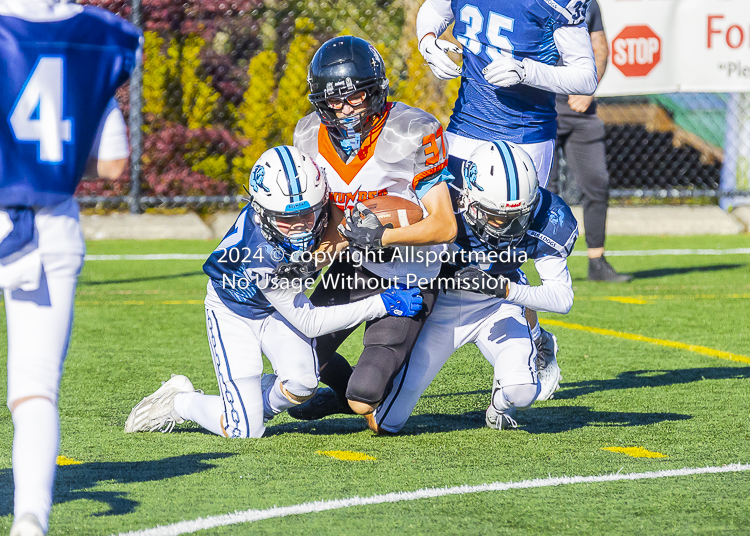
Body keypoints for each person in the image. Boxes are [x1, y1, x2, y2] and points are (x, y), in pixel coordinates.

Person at [124, 146, 424, 439]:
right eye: (286, 219)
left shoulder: (312, 206)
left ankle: (246, 405)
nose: (299, 228)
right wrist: (382, 303)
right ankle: (180, 401)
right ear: (261, 211)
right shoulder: (261, 254)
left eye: (307, 215)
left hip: (276, 308)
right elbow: (311, 323)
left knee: (303, 384)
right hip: (234, 313)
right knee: (244, 430)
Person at [0, 1, 141, 534]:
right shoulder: (98, 37)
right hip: (53, 226)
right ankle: (30, 520)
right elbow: (112, 163)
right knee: (34, 390)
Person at [416, 0, 597, 398]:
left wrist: (527, 71)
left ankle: (533, 338)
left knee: (503, 250)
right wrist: (428, 42)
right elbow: (433, 11)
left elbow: (586, 77)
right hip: (465, 126)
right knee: (447, 233)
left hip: (525, 136)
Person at [288, 36, 457, 420]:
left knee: (364, 400)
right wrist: (307, 266)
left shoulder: (412, 130)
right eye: (334, 100)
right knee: (291, 354)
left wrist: (384, 236)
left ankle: (363, 391)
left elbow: (445, 225)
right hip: (354, 268)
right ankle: (341, 391)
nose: (345, 110)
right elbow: (336, 223)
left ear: (375, 91)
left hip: (409, 275)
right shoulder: (308, 135)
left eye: (355, 97)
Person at [369, 141, 577, 434]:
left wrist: (503, 290)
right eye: (494, 216)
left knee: (523, 392)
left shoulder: (550, 216)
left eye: (515, 218)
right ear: (467, 196)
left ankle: (500, 402)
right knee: (386, 423)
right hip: (441, 304)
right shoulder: (440, 187)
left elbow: (562, 298)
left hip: (496, 305)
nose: (503, 228)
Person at [549, 0, 631, 282]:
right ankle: (535, 263)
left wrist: (589, 88)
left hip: (581, 111)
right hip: (543, 108)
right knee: (544, 188)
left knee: (598, 182)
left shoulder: (587, 4)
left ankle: (597, 262)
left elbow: (600, 48)